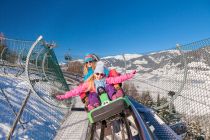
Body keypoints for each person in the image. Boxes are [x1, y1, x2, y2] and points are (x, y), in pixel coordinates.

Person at [56, 61, 136, 111]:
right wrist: (64, 96)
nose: (99, 76)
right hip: (98, 97)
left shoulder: (106, 80)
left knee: (109, 87)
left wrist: (130, 75)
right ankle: (94, 105)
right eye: (97, 74)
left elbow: (118, 79)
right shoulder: (90, 83)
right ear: (94, 74)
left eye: (101, 74)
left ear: (103, 74)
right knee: (92, 94)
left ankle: (115, 97)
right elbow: (76, 90)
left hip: (108, 96)